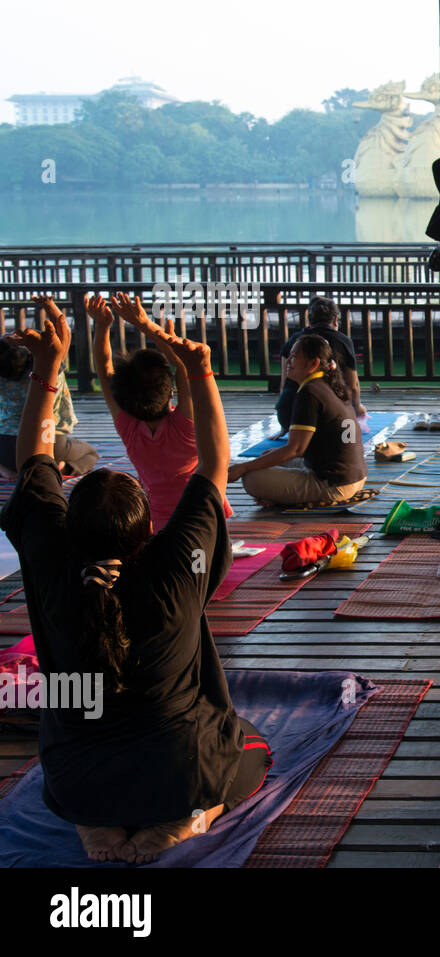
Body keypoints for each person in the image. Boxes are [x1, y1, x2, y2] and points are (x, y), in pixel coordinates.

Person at [0, 296, 272, 863]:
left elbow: (34, 468)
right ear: (148, 527)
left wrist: (48, 373)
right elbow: (215, 467)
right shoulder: (173, 570)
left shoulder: (51, 564)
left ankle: (96, 827)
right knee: (252, 752)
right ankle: (179, 820)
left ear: (69, 527)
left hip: (77, 782)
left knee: (98, 748)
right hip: (177, 771)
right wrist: (198, 368)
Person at [86, 293, 233, 526]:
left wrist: (102, 327)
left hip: (159, 525)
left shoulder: (129, 429)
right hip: (205, 521)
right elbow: (184, 364)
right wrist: (144, 324)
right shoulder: (185, 426)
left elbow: (104, 371)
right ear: (171, 391)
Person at [228, 334, 367, 507]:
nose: (288, 362)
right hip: (355, 476)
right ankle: (280, 494)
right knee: (267, 456)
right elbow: (299, 450)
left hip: (335, 485)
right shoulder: (327, 385)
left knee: (251, 478)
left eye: (294, 358)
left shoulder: (310, 392)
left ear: (313, 363)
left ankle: (281, 496)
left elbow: (295, 449)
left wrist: (244, 467)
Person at [0, 303, 98, 480]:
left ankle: (5, 470)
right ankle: (64, 468)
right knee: (91, 453)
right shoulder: (47, 370)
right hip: (49, 445)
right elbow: (64, 336)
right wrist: (51, 307)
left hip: (5, 447)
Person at [274, 296, 364, 433]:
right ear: (335, 320)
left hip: (288, 415)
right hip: (323, 419)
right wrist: (357, 409)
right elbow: (353, 385)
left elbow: (284, 383)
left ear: (309, 319)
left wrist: (285, 423)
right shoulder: (342, 341)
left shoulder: (294, 340)